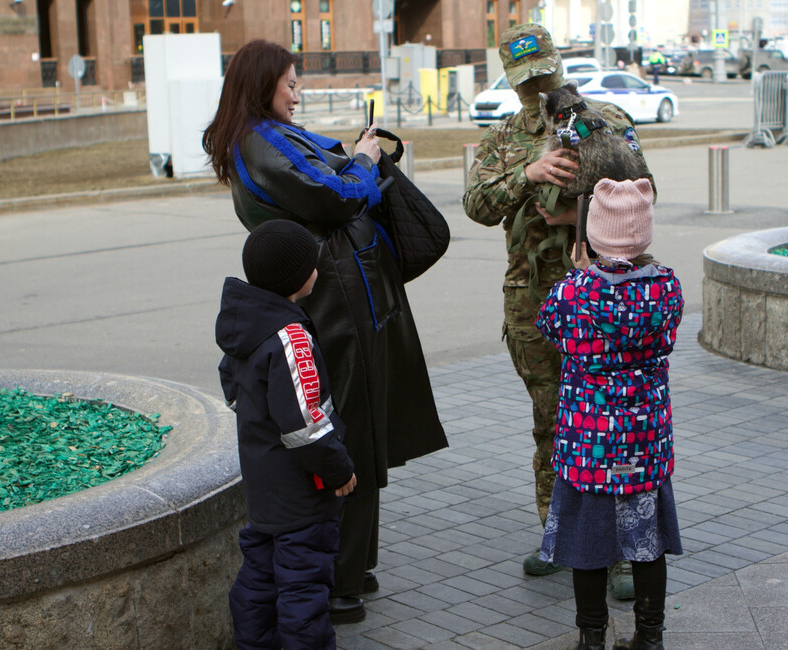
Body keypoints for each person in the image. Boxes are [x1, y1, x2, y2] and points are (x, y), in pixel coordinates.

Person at [203, 39, 448, 625]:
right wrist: (363, 159)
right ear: (263, 84)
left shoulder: (268, 136)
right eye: (290, 83)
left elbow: (327, 186)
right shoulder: (259, 142)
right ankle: (339, 579)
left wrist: (355, 160)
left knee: (362, 424)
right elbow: (336, 196)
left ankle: (353, 566)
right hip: (334, 300)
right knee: (349, 428)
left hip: (345, 292)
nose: (297, 93)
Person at [463, 23, 655, 597]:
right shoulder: (503, 137)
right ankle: (559, 533)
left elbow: (646, 194)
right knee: (551, 422)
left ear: (559, 64)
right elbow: (475, 205)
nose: (536, 88)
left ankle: (622, 550)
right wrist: (528, 173)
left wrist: (579, 219)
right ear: (509, 78)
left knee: (615, 425)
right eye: (525, 80)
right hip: (535, 301)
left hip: (607, 298)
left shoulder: (607, 119)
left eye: (544, 74)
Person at [535, 177, 684, 650]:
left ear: (593, 235)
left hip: (589, 443)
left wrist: (581, 274)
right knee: (647, 543)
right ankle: (650, 636)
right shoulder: (667, 288)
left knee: (588, 547)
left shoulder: (573, 292)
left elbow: (549, 327)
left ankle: (592, 638)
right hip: (644, 440)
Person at [215, 220, 358, 649]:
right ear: (299, 279)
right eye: (312, 265)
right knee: (304, 591)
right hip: (301, 493)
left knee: (258, 580)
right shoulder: (290, 337)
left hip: (263, 486)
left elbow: (233, 386)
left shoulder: (246, 323)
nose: (317, 270)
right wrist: (339, 469)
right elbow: (305, 424)